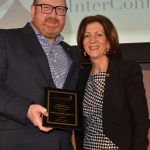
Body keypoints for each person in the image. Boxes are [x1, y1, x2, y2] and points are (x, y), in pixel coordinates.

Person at [0, 0, 80, 149]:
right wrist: (26, 109)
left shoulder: (72, 54)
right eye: (46, 8)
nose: (53, 15)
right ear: (32, 10)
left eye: (60, 9)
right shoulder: (6, 39)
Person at [76, 15, 149, 150]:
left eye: (99, 35)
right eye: (87, 35)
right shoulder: (81, 76)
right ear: (82, 42)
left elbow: (141, 119)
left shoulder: (126, 71)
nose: (92, 40)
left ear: (109, 42)